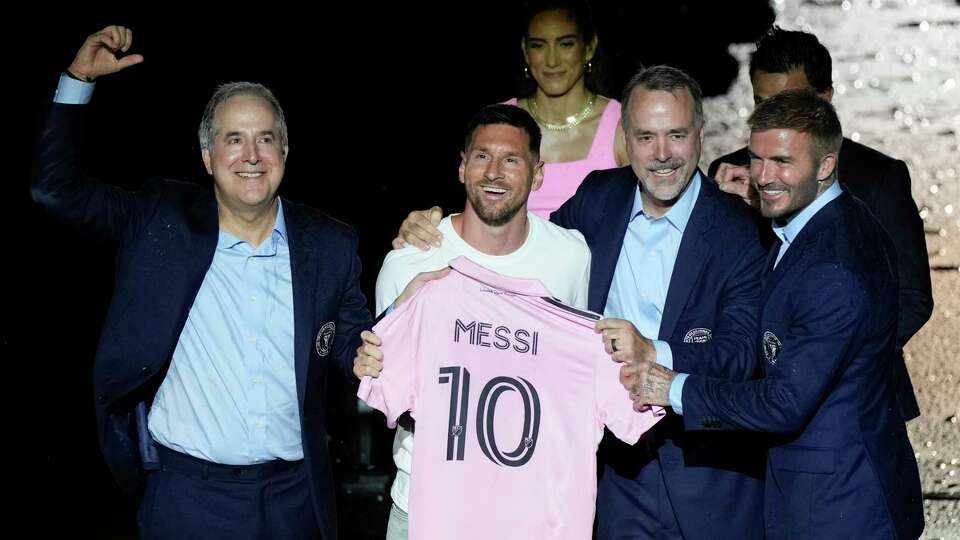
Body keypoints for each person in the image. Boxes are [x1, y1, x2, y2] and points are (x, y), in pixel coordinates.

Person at [388, 65, 769, 539]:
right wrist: (438, 227)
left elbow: (741, 353)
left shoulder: (742, 229)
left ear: (700, 135)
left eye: (676, 135)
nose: (663, 154)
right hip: (614, 477)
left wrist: (655, 354)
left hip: (708, 479)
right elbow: (514, 242)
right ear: (624, 138)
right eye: (646, 137)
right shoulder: (597, 199)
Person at [31, 26, 375, 539]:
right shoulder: (159, 220)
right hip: (189, 498)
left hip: (295, 497)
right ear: (207, 156)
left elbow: (351, 342)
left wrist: (368, 350)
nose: (251, 155)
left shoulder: (331, 244)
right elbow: (53, 189)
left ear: (285, 149)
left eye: (265, 138)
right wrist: (79, 79)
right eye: (233, 139)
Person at [627, 89, 924, 540]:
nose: (763, 177)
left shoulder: (832, 271)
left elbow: (783, 404)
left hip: (836, 507)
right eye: (757, 159)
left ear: (825, 166)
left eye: (783, 162)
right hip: (854, 482)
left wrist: (675, 389)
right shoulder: (846, 218)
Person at [356, 103, 593, 539]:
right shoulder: (407, 265)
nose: (494, 172)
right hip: (425, 506)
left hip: (531, 511)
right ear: (463, 167)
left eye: (512, 160)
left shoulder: (571, 258)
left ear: (538, 174)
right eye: (482, 156)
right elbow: (384, 387)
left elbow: (571, 382)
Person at [708, 27, 933, 420]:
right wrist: (726, 214)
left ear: (825, 99)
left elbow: (912, 297)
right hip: (748, 395)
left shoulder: (879, 179)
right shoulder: (728, 176)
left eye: (790, 106)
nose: (776, 122)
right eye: (764, 105)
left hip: (853, 399)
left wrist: (830, 359)